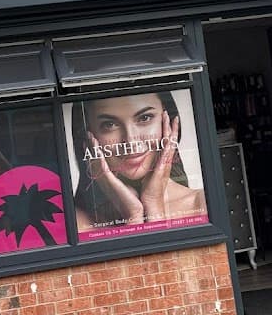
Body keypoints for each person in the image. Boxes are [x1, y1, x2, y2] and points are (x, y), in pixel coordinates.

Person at [72, 91, 206, 233]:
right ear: (88, 137)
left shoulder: (203, 204)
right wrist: (134, 217)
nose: (131, 142)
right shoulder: (78, 223)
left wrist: (154, 205)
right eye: (109, 125)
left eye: (144, 118)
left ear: (168, 123)